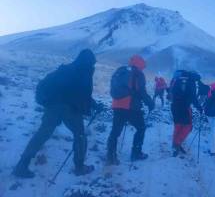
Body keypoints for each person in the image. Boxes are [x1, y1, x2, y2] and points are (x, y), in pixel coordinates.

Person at [13, 49, 97, 178]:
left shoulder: (65, 69)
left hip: (52, 105)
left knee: (42, 134)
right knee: (80, 135)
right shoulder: (84, 71)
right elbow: (83, 94)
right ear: (90, 61)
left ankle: (22, 165)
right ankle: (80, 167)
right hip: (68, 108)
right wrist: (94, 105)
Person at [106, 55, 154, 165]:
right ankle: (136, 153)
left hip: (117, 105)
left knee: (115, 131)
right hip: (131, 107)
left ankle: (110, 156)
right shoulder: (138, 74)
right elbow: (142, 92)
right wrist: (150, 103)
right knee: (141, 128)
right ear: (140, 64)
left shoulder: (121, 71)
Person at [169, 70, 202, 157]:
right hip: (184, 108)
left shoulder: (176, 81)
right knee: (188, 127)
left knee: (178, 126)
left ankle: (175, 144)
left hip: (174, 107)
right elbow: (193, 98)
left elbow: (171, 93)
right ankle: (177, 143)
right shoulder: (191, 83)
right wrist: (199, 108)